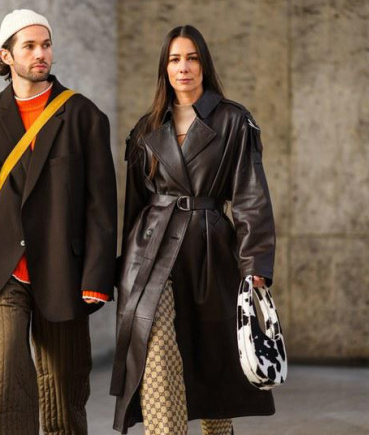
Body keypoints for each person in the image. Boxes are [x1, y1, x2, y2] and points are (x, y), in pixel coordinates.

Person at [110, 25, 276, 435]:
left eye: (191, 58)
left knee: (213, 360)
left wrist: (255, 262)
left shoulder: (234, 120)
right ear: (164, 68)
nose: (183, 67)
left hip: (210, 250)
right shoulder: (146, 128)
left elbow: (250, 195)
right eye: (174, 59)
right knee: (156, 350)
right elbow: (135, 207)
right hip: (152, 253)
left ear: (204, 64)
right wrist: (124, 268)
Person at [0, 9, 117, 435]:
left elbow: (101, 205)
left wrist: (98, 278)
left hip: (63, 269)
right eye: (29, 46)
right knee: (4, 381)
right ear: (6, 55)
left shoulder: (84, 115)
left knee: (64, 387)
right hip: (2, 271)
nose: (40, 53)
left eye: (45, 44)